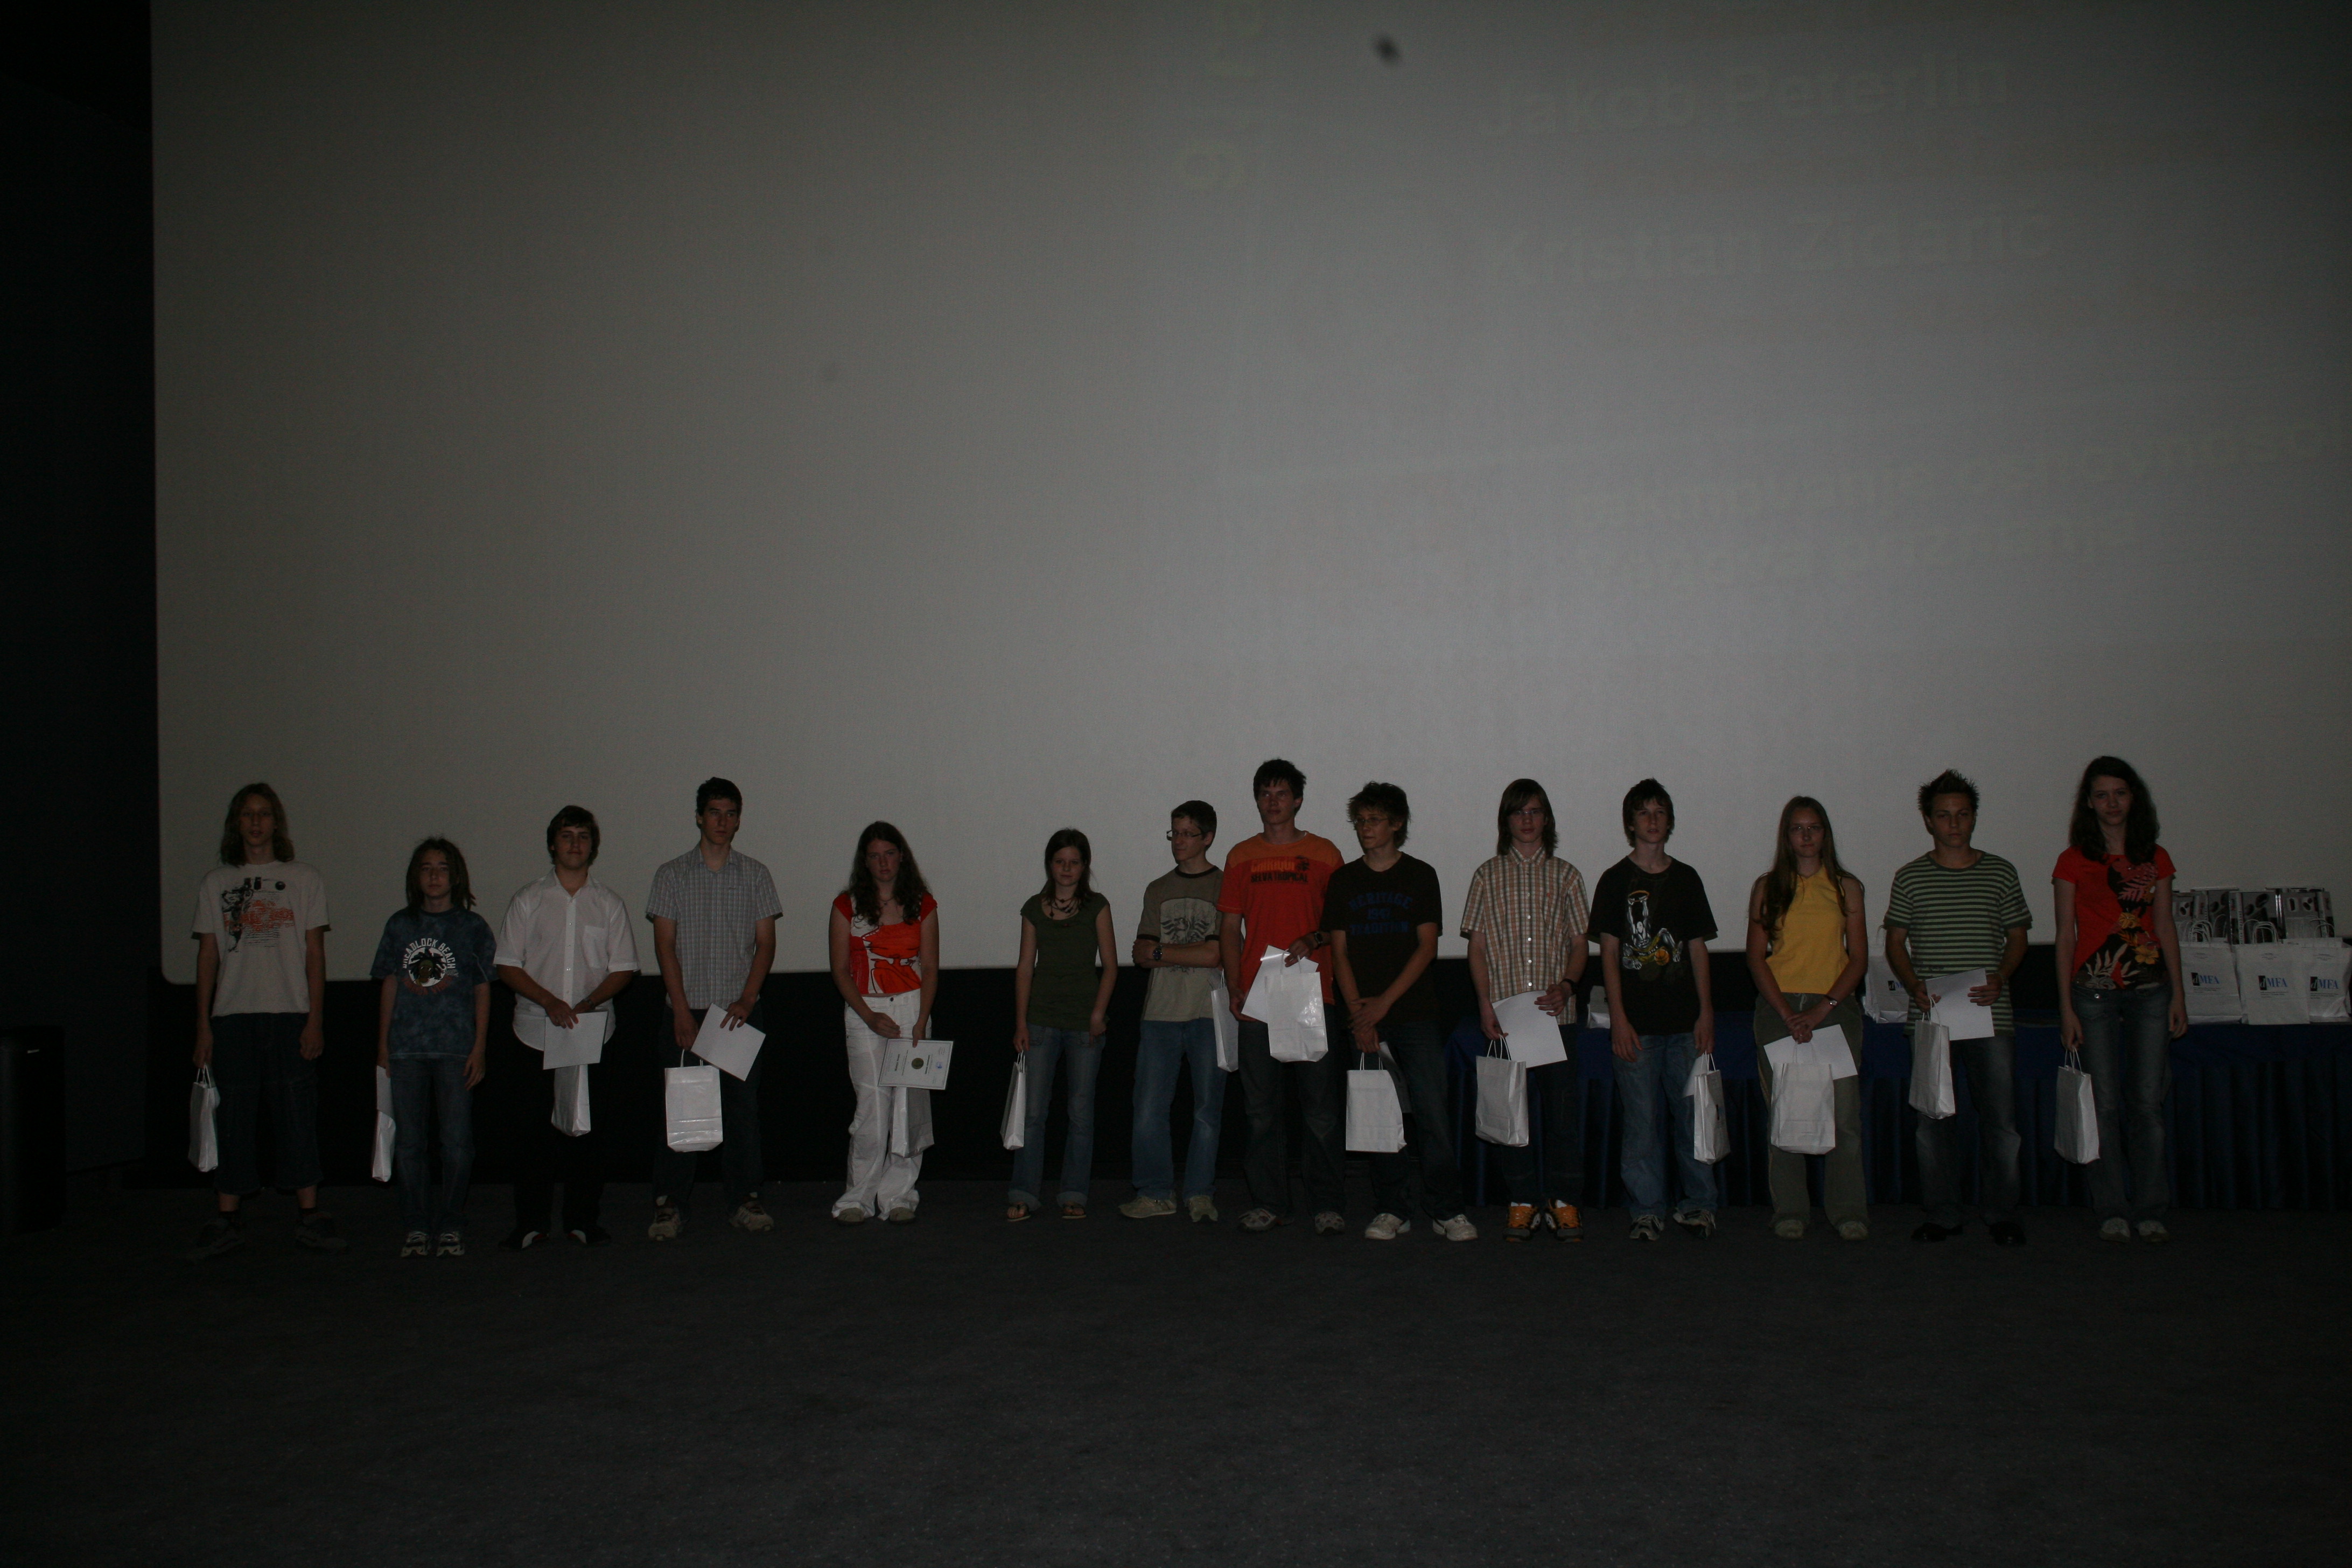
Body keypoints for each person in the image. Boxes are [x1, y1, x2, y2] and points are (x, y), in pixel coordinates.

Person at [187, 783, 341, 1257]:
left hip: (290, 1015)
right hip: (232, 1018)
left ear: (277, 823)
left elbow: (315, 954)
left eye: (264, 814)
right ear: (237, 824)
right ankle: (227, 1217)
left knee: (297, 1117)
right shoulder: (216, 882)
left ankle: (310, 1215)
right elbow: (208, 956)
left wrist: (315, 1020)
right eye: (247, 815)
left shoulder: (304, 878)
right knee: (233, 1118)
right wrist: (203, 1026)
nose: (256, 823)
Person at [1885, 768, 2032, 1246]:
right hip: (1933, 1018)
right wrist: (1914, 985)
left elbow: (2017, 937)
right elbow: (1895, 943)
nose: (1954, 824)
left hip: (1991, 1014)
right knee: (1933, 1122)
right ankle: (1943, 1213)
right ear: (1929, 821)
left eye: (1963, 815)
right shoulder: (1910, 877)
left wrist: (2001, 976)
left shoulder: (2001, 872)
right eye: (1944, 816)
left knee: (2001, 1123)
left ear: (1974, 818)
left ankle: (2001, 1213)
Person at [1325, 783, 1472, 1241]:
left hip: (1415, 1015)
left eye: (1373, 820)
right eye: (1360, 821)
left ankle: (1447, 1209)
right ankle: (1392, 1208)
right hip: (1362, 1016)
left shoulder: (1420, 875)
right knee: (1378, 1114)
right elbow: (1339, 953)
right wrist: (1360, 1015)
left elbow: (1427, 947)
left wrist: (1383, 1005)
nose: (1364, 829)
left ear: (1397, 824)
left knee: (1432, 1114)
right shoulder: (1344, 881)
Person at [2053, 757, 2186, 1243]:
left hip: (2152, 992)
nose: (2112, 803)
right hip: (2092, 994)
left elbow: (2165, 927)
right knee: (2104, 1104)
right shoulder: (2072, 861)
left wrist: (2179, 996)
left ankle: (2150, 1208)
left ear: (2135, 798)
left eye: (2120, 793)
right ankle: (2110, 1206)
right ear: (2089, 803)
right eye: (2102, 794)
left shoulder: (2157, 858)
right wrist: (2066, 1007)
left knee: (2147, 1105)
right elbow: (2065, 937)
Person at [493, 806, 639, 1249]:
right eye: (567, 835)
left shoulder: (609, 903)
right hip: (534, 1033)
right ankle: (531, 1223)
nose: (575, 844)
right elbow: (507, 965)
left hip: (590, 1035)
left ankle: (582, 1221)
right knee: (531, 1134)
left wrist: (587, 1004)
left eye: (583, 836)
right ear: (552, 844)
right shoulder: (528, 899)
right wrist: (549, 1002)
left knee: (587, 1134)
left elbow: (624, 968)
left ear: (593, 846)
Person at [645, 778, 781, 1241]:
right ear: (699, 818)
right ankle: (669, 1204)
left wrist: (748, 999)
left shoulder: (756, 874)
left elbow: (766, 944)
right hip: (687, 1012)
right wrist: (681, 1010)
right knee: (682, 1109)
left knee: (742, 1112)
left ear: (739, 821)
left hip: (736, 1015)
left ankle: (745, 1199)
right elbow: (664, 946)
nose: (722, 821)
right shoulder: (672, 874)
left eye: (731, 813)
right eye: (715, 813)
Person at [1219, 758, 1347, 1234]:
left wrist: (1314, 938)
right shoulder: (1240, 856)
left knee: (1321, 1112)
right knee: (1260, 1111)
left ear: (1298, 800)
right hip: (1258, 997)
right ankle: (1270, 1201)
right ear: (1257, 800)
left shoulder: (1325, 853)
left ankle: (1327, 1204)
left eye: (1281, 794)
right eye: (1265, 794)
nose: (1273, 802)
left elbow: (1341, 925)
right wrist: (1235, 984)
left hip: (1313, 994)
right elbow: (1229, 928)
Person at [1461, 779, 1591, 1242]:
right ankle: (1521, 1202)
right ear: (1507, 821)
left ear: (1547, 818)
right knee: (1510, 1116)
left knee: (1562, 1120)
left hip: (1557, 1018)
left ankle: (1563, 1202)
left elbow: (1580, 944)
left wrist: (1568, 985)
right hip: (1505, 1019)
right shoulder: (1487, 875)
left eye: (1535, 811)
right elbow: (1476, 947)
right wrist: (1484, 1004)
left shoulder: (1567, 875)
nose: (1527, 820)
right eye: (1519, 812)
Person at [1592, 779, 1720, 1242]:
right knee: (1642, 1126)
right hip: (1637, 1027)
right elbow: (1609, 954)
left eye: (1660, 812)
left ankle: (1699, 1204)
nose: (1652, 820)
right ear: (1630, 823)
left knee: (1692, 1120)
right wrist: (1618, 1020)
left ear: (1670, 821)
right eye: (1643, 812)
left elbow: (1698, 949)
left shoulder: (1687, 879)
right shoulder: (1614, 880)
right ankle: (1646, 1209)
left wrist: (1707, 1012)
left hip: (1686, 1024)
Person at [1745, 797, 1871, 1242]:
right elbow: (1756, 958)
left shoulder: (1847, 887)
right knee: (1786, 1113)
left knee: (1844, 1118)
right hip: (1778, 1009)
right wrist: (1787, 1013)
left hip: (1834, 1009)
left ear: (1824, 833)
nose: (1806, 836)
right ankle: (1790, 1211)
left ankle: (1848, 1211)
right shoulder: (1767, 887)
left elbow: (1859, 958)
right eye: (1797, 828)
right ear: (1787, 836)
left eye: (1813, 827)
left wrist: (1821, 1010)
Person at [371, 838, 497, 1257]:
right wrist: (383, 1045)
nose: (434, 875)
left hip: (456, 1050)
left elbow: (483, 989)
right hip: (406, 1049)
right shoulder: (399, 925)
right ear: (416, 876)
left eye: (442, 868)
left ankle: (451, 1223)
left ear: (455, 876)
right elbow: (390, 983)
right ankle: (416, 1225)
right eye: (426, 868)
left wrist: (479, 1047)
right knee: (409, 1144)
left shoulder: (472, 927)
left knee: (457, 1143)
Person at [828, 821, 940, 1224]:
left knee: (909, 1108)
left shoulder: (923, 904)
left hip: (912, 1010)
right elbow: (840, 970)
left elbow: (930, 967)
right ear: (865, 861)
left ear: (901, 856)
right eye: (874, 856)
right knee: (872, 1109)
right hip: (865, 1013)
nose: (883, 863)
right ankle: (857, 1198)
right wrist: (869, 1015)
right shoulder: (846, 905)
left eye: (889, 854)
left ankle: (899, 1197)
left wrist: (921, 1020)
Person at [1121, 801, 1227, 1223]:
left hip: (1208, 1011)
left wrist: (1164, 951)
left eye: (1187, 834)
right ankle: (1156, 1192)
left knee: (1207, 1111)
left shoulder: (1224, 885)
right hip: (1160, 1013)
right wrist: (1187, 951)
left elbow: (1215, 955)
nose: (1179, 841)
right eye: (1175, 833)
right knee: (1149, 1107)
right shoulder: (1157, 888)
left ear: (1208, 838)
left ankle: (1200, 1193)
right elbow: (1140, 955)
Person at [1008, 830, 1119, 1221]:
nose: (1067, 869)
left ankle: (1074, 1193)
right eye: (1060, 862)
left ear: (1084, 866)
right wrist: (1021, 1022)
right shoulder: (1033, 908)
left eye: (1074, 862)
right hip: (1040, 1021)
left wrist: (1097, 1014)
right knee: (1033, 1113)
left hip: (1083, 1024)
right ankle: (1024, 1192)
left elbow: (1110, 966)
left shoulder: (1097, 906)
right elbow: (1025, 968)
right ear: (1050, 865)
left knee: (1080, 1113)